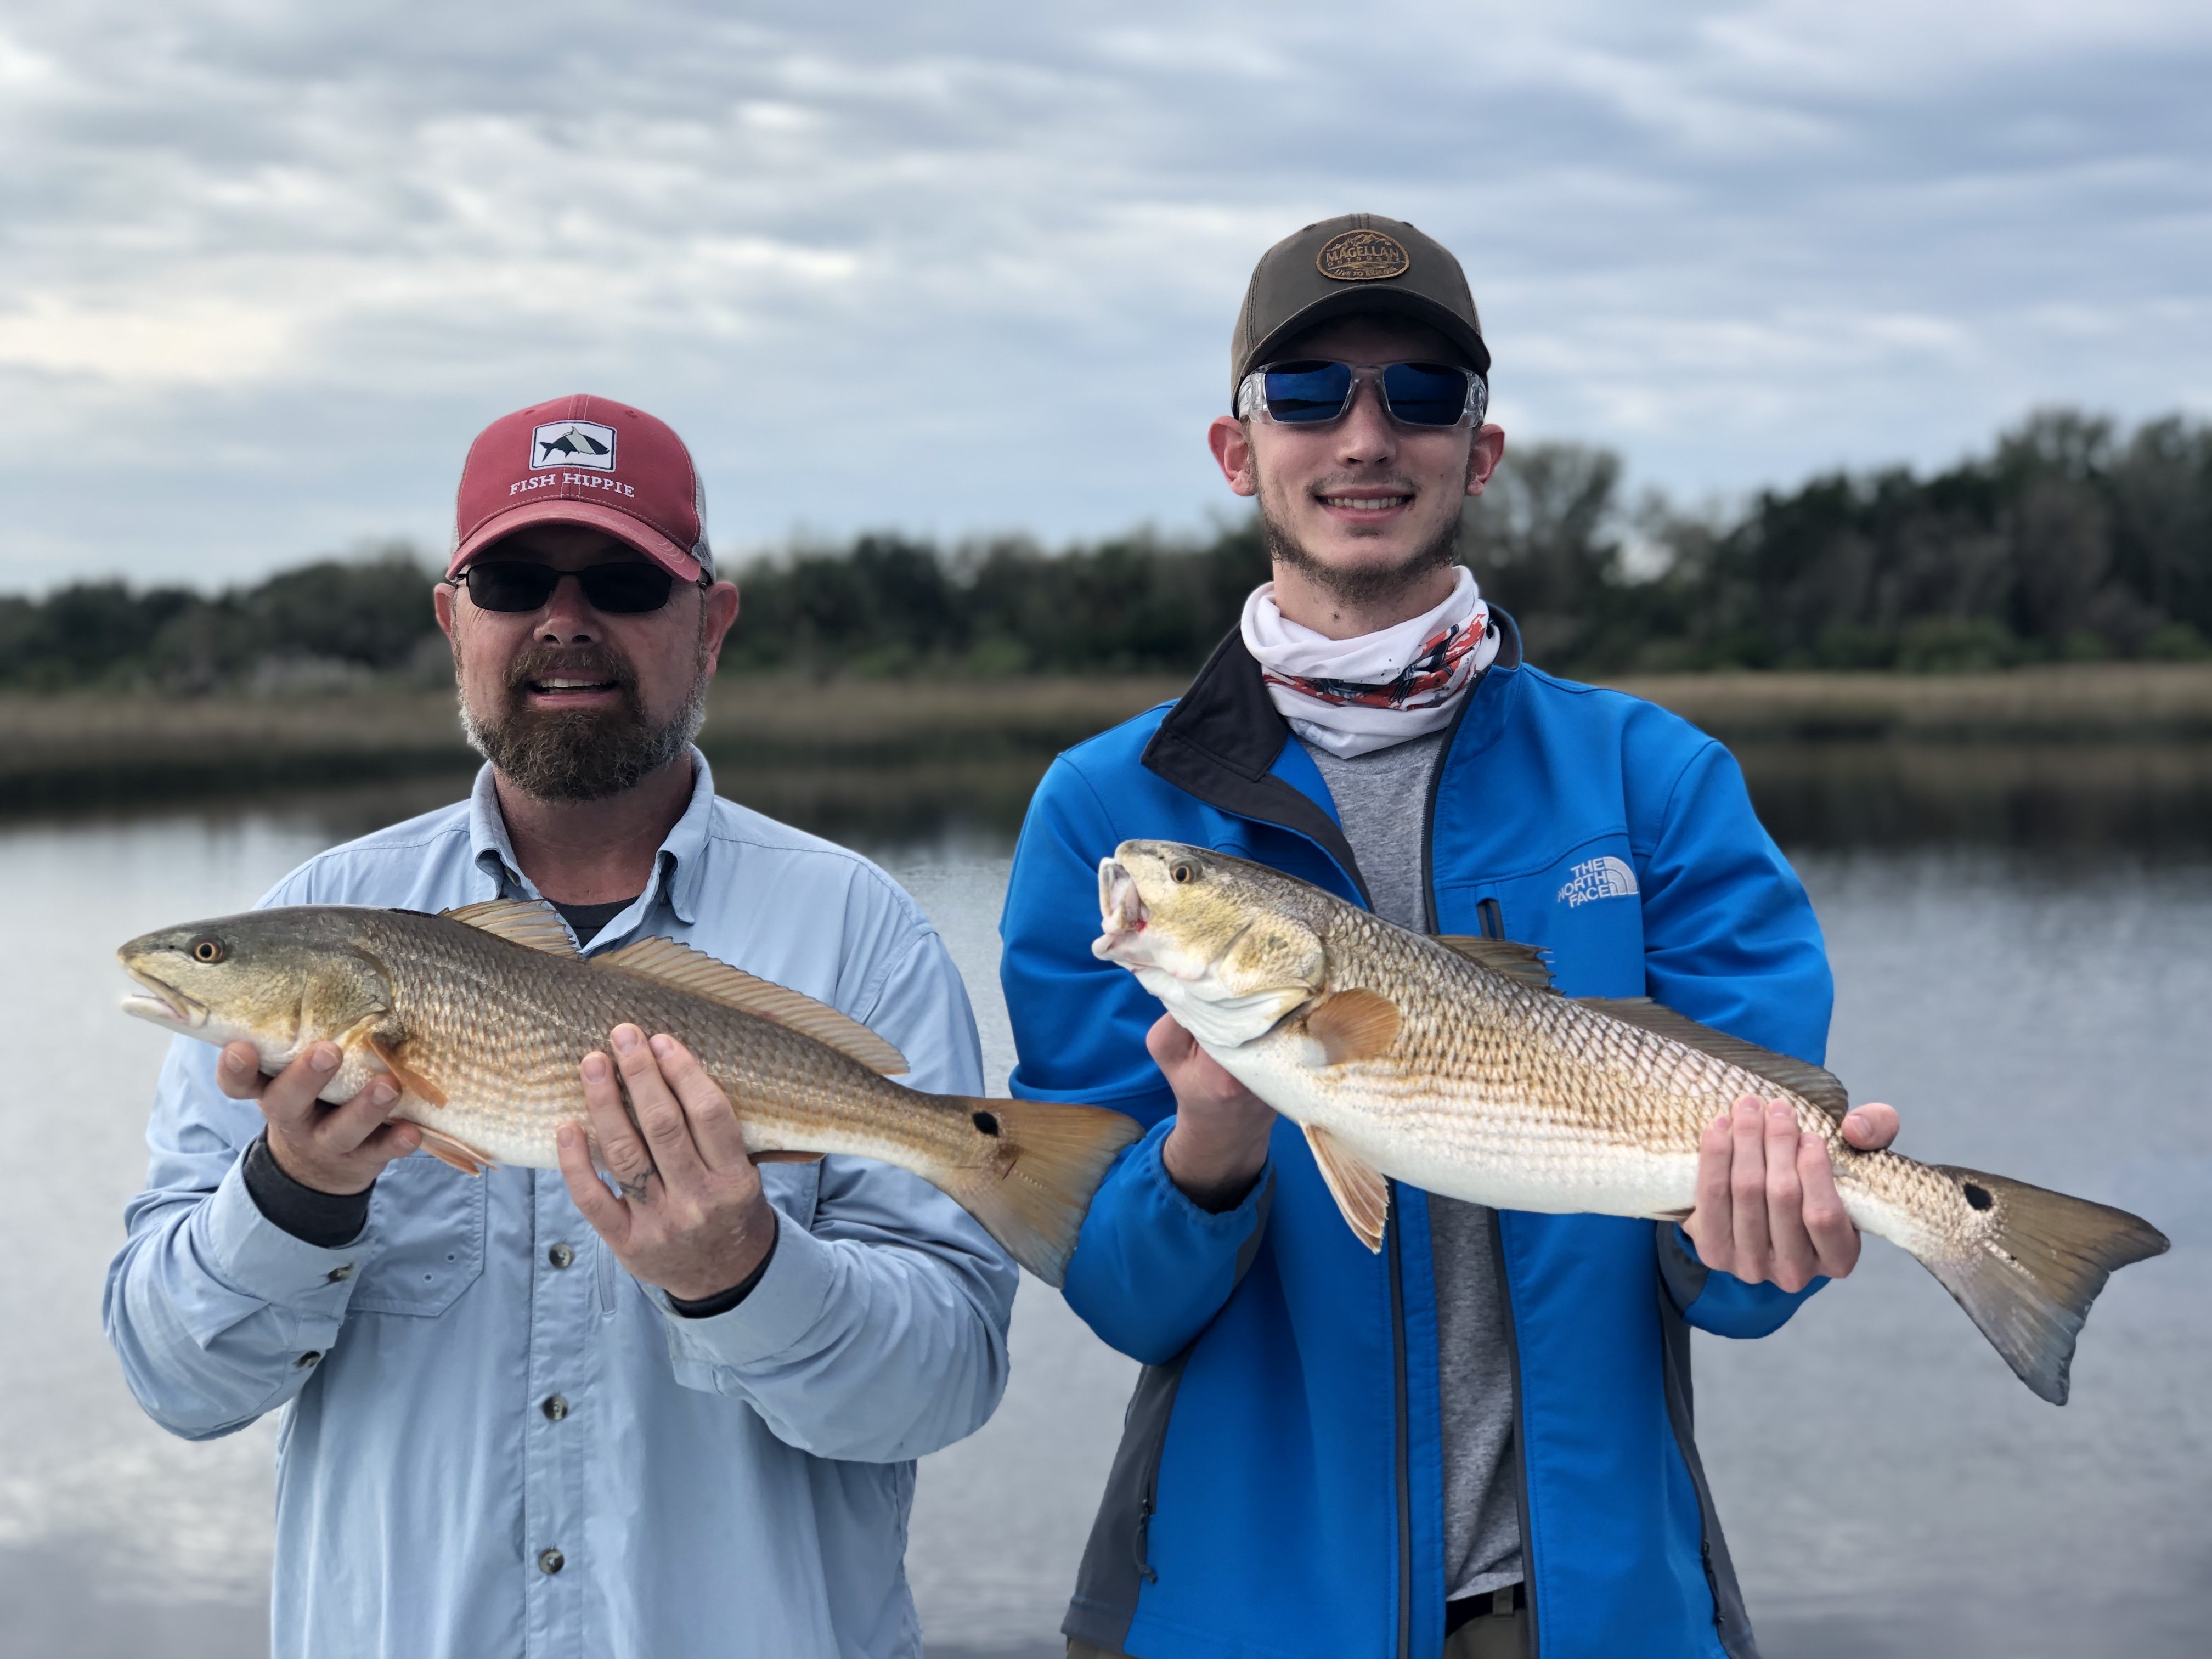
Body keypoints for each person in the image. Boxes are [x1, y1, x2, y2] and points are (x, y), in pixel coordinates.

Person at [998, 216, 1904, 1659]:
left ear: (1479, 453)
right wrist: (1212, 1153)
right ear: (1239, 452)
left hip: (1603, 1617)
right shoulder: (1108, 816)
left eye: (1418, 396)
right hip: (1244, 1622)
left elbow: (1742, 1295)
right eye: (1308, 395)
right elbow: (1114, 1290)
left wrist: (1763, 1237)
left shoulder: (1656, 781)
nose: (1365, 437)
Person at [105, 394, 1017, 1658]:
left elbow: (945, 1386)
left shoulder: (859, 930)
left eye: (627, 583)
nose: (565, 623)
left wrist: (742, 1272)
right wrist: (294, 1197)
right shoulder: (313, 921)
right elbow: (175, 1383)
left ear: (713, 625)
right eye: (516, 577)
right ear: (452, 618)